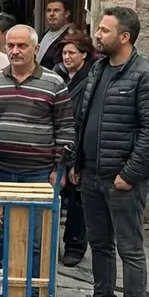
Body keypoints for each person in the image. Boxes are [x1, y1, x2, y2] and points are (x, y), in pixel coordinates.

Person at [68, 6, 149, 297]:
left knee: (130, 249)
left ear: (124, 36)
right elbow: (83, 120)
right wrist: (77, 164)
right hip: (92, 175)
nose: (98, 35)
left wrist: (130, 174)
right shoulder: (97, 68)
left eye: (105, 31)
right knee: (99, 243)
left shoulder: (146, 75)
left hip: (122, 179)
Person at [0, 25, 74, 297]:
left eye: (22, 46)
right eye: (10, 45)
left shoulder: (53, 82)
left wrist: (58, 169)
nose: (15, 51)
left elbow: (66, 129)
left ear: (36, 49)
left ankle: (34, 293)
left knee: (36, 239)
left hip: (37, 174)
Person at [55, 30, 96, 267]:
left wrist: (76, 158)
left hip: (79, 143)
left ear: (84, 54)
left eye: (72, 52)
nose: (67, 57)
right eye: (64, 52)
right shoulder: (59, 75)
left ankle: (75, 245)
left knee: (77, 201)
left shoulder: (90, 79)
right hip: (59, 142)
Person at [38, 0, 73, 70]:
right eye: (49, 11)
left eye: (56, 10)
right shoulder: (46, 33)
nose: (51, 14)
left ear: (67, 14)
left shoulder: (71, 36)